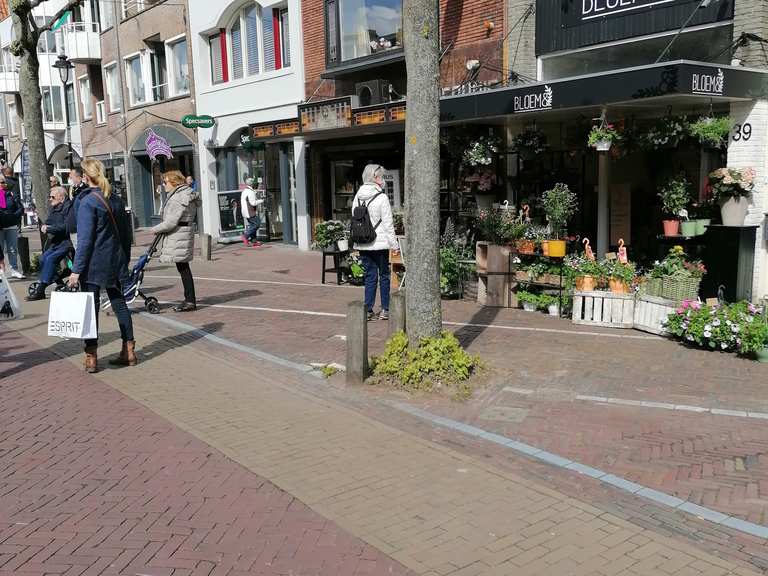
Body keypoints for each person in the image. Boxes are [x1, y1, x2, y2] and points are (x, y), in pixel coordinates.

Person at [67, 159, 134, 373]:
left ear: (85, 177)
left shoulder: (88, 202)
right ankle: (129, 349)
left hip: (94, 263)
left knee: (90, 309)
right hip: (115, 259)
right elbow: (126, 234)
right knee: (119, 304)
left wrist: (76, 270)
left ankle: (91, 356)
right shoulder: (115, 199)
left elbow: (85, 240)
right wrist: (125, 258)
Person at [352, 164, 399, 321]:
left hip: (363, 242)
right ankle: (385, 309)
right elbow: (388, 224)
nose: (383, 180)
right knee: (384, 275)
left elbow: (355, 218)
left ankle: (368, 309)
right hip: (379, 242)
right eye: (381, 177)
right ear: (375, 178)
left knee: (370, 275)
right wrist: (395, 245)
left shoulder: (358, 196)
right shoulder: (382, 197)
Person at [151, 170, 200, 312]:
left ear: (174, 182)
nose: (164, 185)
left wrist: (155, 229)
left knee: (183, 267)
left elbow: (171, 221)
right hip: (183, 232)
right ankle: (190, 299)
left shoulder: (179, 197)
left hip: (179, 234)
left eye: (166, 182)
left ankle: (190, 300)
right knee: (183, 267)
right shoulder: (185, 194)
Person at [26, 186, 72, 300]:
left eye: (52, 197)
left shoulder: (68, 207)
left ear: (61, 197)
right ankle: (59, 281)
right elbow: (48, 222)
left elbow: (67, 226)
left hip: (67, 241)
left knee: (51, 259)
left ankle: (41, 289)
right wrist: (44, 226)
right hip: (56, 241)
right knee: (42, 259)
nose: (50, 199)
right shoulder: (54, 208)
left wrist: (50, 229)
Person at [0, 169, 24, 279]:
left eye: (4, 182)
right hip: (0, 226)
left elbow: (20, 208)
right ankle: (1, 271)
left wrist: (14, 217)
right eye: (2, 182)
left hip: (11, 226)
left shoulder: (11, 194)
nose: (4, 184)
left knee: (13, 249)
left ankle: (14, 269)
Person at [240, 177, 264, 247]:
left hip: (246, 211)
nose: (255, 184)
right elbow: (253, 203)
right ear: (252, 184)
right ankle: (245, 236)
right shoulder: (250, 192)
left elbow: (251, 195)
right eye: (254, 183)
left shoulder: (246, 190)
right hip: (250, 212)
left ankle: (254, 241)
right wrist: (262, 200)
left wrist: (257, 191)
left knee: (253, 225)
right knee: (257, 224)